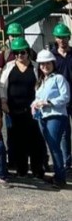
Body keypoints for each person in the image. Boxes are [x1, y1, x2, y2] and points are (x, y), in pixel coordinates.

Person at [0, 37, 45, 179]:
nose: (20, 55)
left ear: (28, 52)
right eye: (16, 53)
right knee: (18, 141)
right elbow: (2, 85)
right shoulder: (9, 67)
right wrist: (3, 101)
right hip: (14, 110)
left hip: (33, 111)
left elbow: (42, 86)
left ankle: (38, 170)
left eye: (23, 52)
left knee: (36, 141)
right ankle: (22, 169)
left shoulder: (36, 67)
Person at [32, 49, 70, 188]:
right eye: (42, 64)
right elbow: (37, 98)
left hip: (56, 116)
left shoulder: (59, 78)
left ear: (53, 63)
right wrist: (34, 105)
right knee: (51, 146)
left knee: (55, 147)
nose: (45, 66)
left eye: (47, 63)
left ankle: (60, 178)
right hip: (43, 116)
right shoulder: (41, 82)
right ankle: (58, 175)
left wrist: (48, 102)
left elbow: (65, 97)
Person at [50, 23, 72, 170]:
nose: (62, 40)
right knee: (64, 132)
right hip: (61, 100)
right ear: (55, 38)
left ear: (69, 38)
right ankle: (67, 162)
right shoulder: (52, 56)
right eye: (59, 37)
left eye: (64, 37)